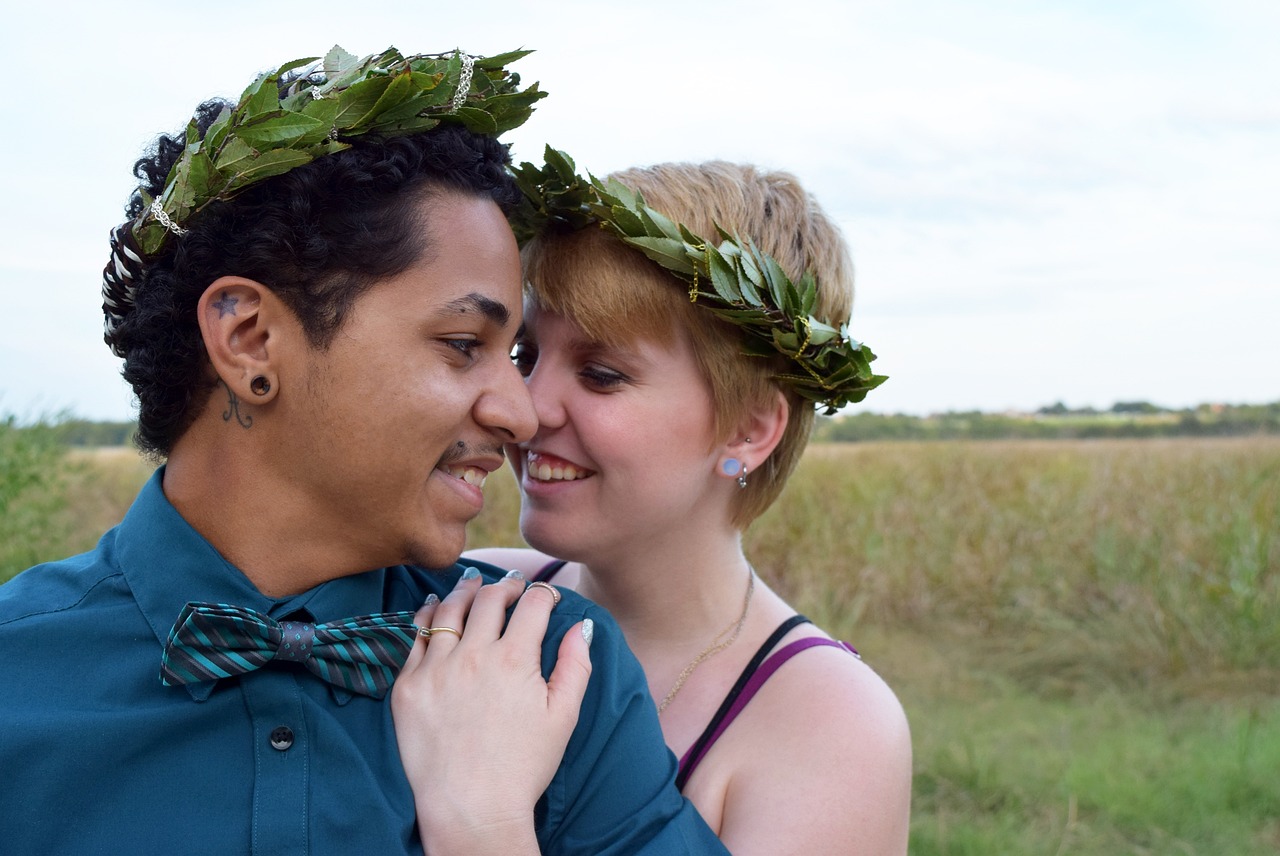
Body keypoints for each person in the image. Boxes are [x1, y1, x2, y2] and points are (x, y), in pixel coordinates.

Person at [0, 48, 727, 855]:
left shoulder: (555, 666)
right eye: (461, 344)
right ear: (250, 340)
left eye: (511, 353)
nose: (521, 415)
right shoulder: (13, 683)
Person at [450, 157, 914, 853]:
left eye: (601, 375)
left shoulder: (832, 727)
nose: (524, 408)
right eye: (526, 355)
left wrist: (482, 825)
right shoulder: (475, 601)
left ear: (750, 428)